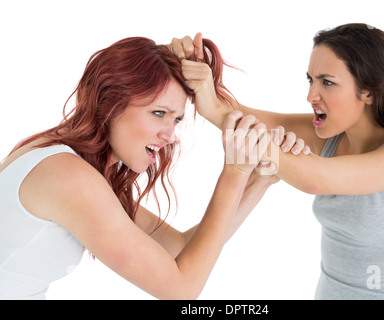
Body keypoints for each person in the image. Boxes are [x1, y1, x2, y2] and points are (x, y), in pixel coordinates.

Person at [0, 36, 309, 300]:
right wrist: (234, 172)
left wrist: (259, 181)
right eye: (158, 112)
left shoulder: (72, 166)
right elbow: (180, 289)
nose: (169, 135)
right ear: (110, 103)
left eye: (175, 119)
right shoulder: (66, 175)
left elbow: (179, 249)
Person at [169, 24, 384, 299]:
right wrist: (198, 74)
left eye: (327, 82)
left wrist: (214, 108)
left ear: (369, 92)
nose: (310, 96)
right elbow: (240, 115)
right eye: (311, 80)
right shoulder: (331, 138)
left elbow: (316, 178)